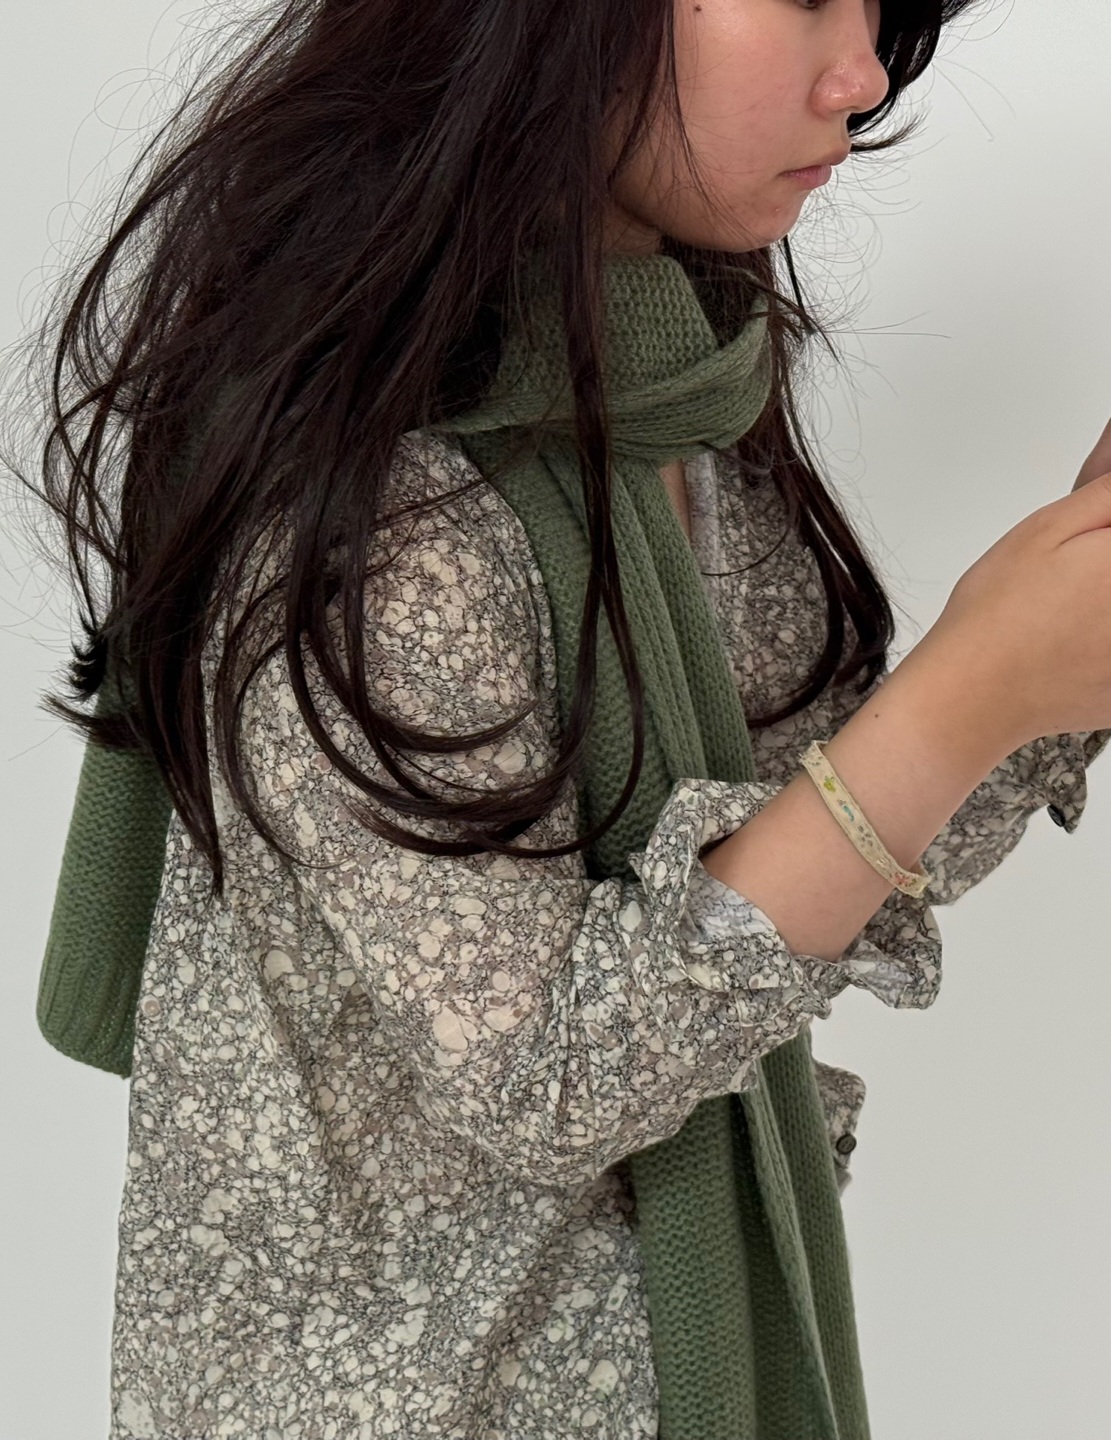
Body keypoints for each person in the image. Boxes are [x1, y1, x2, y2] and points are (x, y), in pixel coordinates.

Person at [10, 0, 1111, 1435]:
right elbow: (555, 1071)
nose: (859, 73)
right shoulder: (368, 519)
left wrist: (1052, 647)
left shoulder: (666, 386)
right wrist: (971, 691)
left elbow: (806, 863)